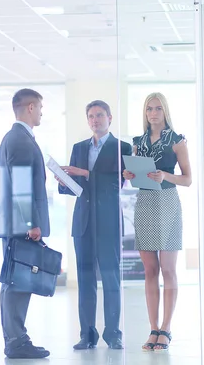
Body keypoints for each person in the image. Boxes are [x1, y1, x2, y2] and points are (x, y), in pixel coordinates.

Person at [57, 100, 132, 350]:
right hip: (84, 224)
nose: (95, 120)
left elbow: (117, 184)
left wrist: (86, 174)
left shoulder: (123, 147)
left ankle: (113, 334)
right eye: (90, 116)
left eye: (100, 115)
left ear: (110, 118)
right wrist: (63, 179)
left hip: (109, 223)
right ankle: (87, 335)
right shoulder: (79, 148)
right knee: (85, 280)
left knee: (111, 280)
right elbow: (74, 189)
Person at [123, 92, 192, 352]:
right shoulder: (138, 142)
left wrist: (165, 175)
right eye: (149, 109)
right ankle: (153, 329)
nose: (153, 113)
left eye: (158, 109)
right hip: (145, 203)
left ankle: (167, 328)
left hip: (167, 203)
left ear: (165, 112)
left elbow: (187, 179)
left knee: (168, 269)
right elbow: (134, 178)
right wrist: (128, 174)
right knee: (150, 270)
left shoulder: (177, 141)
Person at [0, 88, 50, 359]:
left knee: (14, 283)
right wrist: (32, 223)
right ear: (30, 108)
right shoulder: (20, 139)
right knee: (17, 284)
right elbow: (20, 185)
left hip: (15, 224)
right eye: (40, 107)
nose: (41, 112)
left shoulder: (15, 138)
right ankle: (16, 341)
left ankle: (15, 339)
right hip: (21, 226)